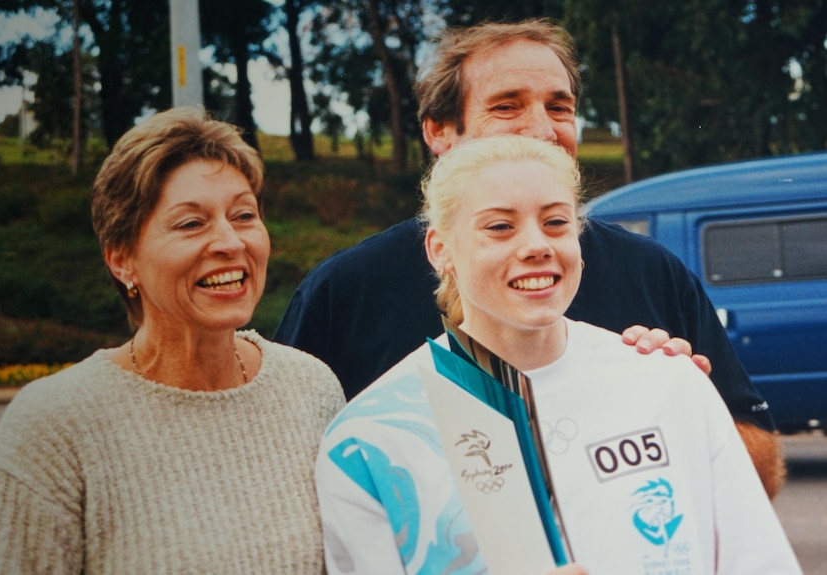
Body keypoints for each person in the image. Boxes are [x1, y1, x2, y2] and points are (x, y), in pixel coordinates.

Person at [274, 18, 784, 497]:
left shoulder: (652, 272)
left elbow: (761, 473)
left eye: (559, 107)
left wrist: (679, 401)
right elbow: (293, 488)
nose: (543, 129)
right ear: (439, 133)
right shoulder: (346, 291)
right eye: (507, 106)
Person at [315, 134, 801, 575]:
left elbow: (755, 559)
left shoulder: (668, 382)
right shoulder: (370, 440)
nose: (536, 245)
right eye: (501, 227)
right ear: (440, 249)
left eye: (555, 222)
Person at [0, 107, 346, 574]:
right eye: (191, 223)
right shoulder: (52, 428)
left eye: (243, 215)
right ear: (122, 260)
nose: (230, 241)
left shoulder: (311, 388)